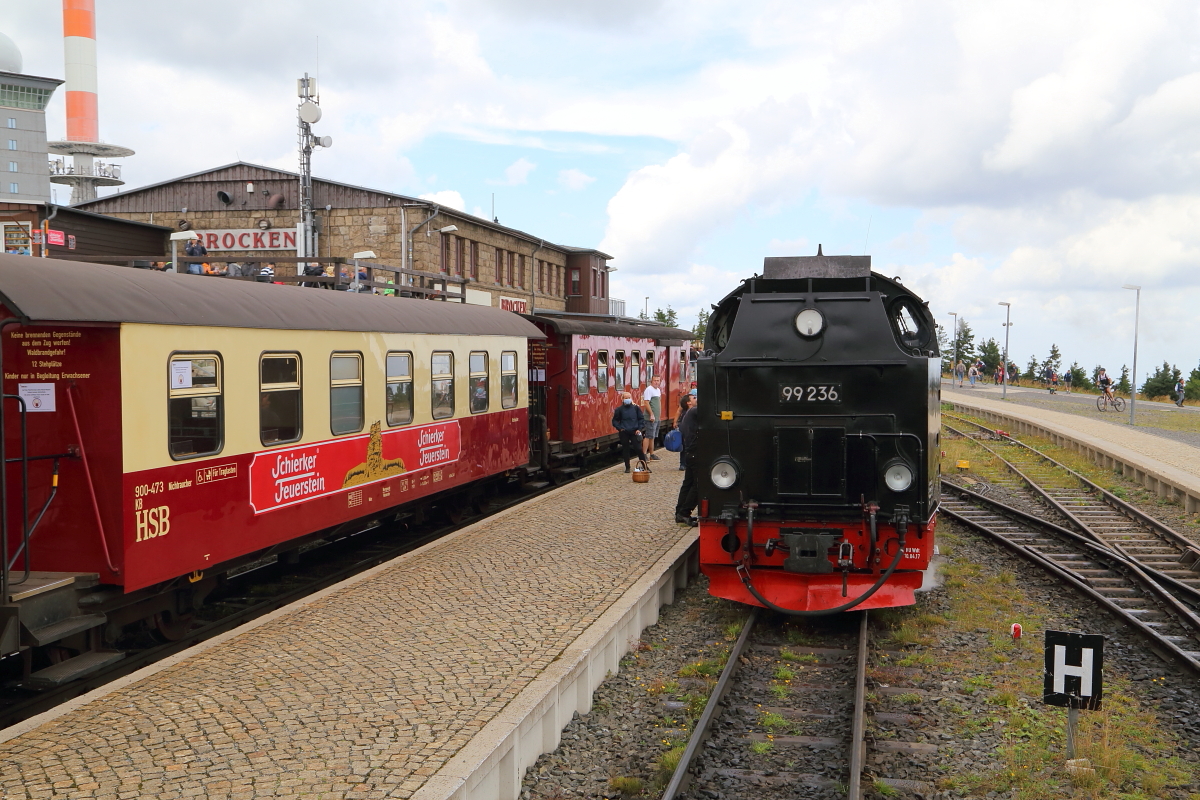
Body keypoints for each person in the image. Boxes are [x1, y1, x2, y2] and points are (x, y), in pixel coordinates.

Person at [674, 391, 700, 526]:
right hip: (695, 452)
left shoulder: (688, 414)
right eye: (693, 397)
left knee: (687, 483)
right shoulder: (695, 412)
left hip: (690, 452)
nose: (695, 399)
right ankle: (685, 513)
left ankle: (679, 513)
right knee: (698, 484)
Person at [611, 391, 648, 473]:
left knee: (639, 449)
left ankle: (645, 466)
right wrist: (620, 428)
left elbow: (641, 419)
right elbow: (615, 421)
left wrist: (639, 429)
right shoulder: (619, 409)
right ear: (622, 399)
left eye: (629, 398)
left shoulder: (636, 408)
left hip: (635, 431)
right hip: (624, 432)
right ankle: (627, 467)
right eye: (626, 398)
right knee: (625, 449)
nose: (627, 399)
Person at [641, 375, 663, 461]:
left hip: (656, 417)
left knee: (652, 436)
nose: (656, 382)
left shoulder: (658, 390)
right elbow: (646, 402)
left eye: (658, 380)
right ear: (651, 381)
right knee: (648, 435)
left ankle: (652, 454)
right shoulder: (649, 390)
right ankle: (644, 454)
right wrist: (651, 414)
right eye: (655, 380)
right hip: (650, 417)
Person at [676, 390, 696, 470]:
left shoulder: (695, 410)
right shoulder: (686, 413)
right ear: (688, 403)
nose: (696, 399)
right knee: (684, 448)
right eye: (694, 398)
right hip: (687, 434)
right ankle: (683, 464)